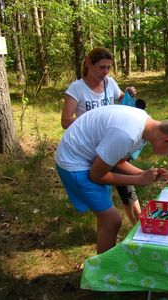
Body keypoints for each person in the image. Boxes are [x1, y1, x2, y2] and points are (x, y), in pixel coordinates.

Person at [55, 105, 168, 254]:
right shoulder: (127, 135)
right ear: (167, 141)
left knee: (105, 218)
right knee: (112, 221)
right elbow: (96, 176)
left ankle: (101, 259)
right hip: (73, 162)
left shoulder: (144, 124)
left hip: (87, 157)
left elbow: (117, 160)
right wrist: (139, 180)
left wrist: (143, 174)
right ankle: (104, 271)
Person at [61, 47, 141, 225]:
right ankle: (107, 225)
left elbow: (120, 97)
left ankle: (139, 229)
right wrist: (91, 126)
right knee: (102, 192)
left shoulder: (110, 83)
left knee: (127, 188)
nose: (105, 72)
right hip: (92, 150)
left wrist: (127, 94)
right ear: (89, 64)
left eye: (108, 68)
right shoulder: (77, 88)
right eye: (101, 67)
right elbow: (66, 121)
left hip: (113, 143)